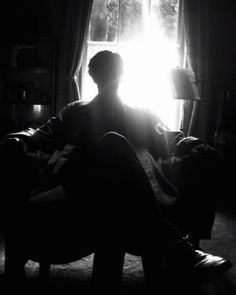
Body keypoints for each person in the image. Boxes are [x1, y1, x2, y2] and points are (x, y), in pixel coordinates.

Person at [1, 50, 232, 293]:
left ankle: (177, 251)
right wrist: (17, 141)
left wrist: (193, 144)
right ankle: (179, 251)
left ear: (120, 74)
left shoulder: (139, 115)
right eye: (103, 72)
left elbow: (170, 138)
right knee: (112, 143)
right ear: (93, 76)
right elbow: (41, 136)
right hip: (77, 188)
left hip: (122, 194)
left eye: (111, 72)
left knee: (113, 150)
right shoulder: (74, 112)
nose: (108, 78)